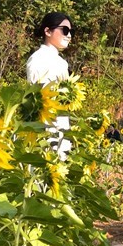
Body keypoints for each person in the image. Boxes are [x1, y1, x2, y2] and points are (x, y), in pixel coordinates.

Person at [26, 11, 74, 156]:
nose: (69, 35)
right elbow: (38, 98)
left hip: (61, 122)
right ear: (47, 31)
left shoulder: (61, 62)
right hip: (45, 124)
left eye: (71, 32)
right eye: (65, 30)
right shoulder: (38, 59)